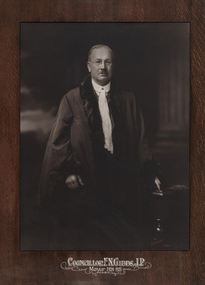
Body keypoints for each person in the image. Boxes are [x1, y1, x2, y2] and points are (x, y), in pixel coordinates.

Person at [38, 44, 162, 250]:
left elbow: (141, 139)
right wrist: (69, 171)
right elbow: (59, 141)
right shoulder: (72, 99)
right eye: (98, 61)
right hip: (86, 179)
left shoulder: (128, 99)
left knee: (124, 239)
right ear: (89, 66)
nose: (103, 67)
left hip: (121, 179)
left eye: (108, 61)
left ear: (114, 65)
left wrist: (150, 171)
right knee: (87, 240)